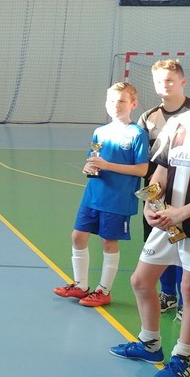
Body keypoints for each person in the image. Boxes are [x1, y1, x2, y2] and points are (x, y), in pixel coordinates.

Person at [110, 70, 190, 377]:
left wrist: (182, 213)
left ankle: (183, 358)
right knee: (141, 281)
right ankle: (150, 343)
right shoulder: (178, 125)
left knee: (188, 289)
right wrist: (149, 202)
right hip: (168, 221)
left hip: (184, 220)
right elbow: (160, 172)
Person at [53, 82, 149, 306]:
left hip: (117, 198)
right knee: (78, 236)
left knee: (108, 241)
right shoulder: (100, 132)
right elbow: (93, 159)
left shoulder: (137, 134)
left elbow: (142, 170)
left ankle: (103, 290)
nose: (116, 105)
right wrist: (89, 167)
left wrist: (107, 165)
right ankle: (80, 285)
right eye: (112, 101)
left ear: (133, 104)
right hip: (93, 195)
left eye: (122, 101)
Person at [137, 59, 190, 320]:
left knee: (184, 264)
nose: (165, 85)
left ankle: (183, 302)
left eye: (170, 80)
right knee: (156, 256)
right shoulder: (151, 117)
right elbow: (156, 166)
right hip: (161, 200)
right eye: (160, 81)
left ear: (183, 82)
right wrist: (149, 202)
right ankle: (168, 295)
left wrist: (182, 211)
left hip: (184, 208)